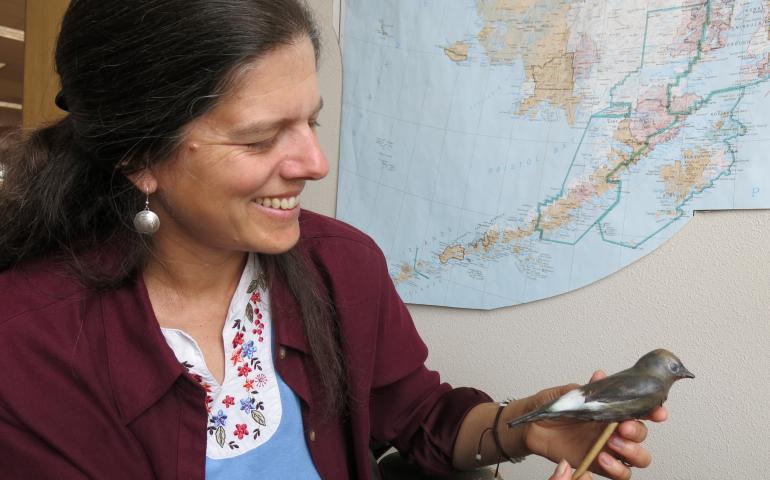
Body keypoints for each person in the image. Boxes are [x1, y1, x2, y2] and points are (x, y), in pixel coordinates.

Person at [0, 1, 665, 478]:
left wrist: (526, 424)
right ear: (139, 158)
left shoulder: (340, 264)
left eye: (311, 122)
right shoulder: (23, 346)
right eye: (261, 138)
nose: (314, 163)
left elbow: (420, 417)